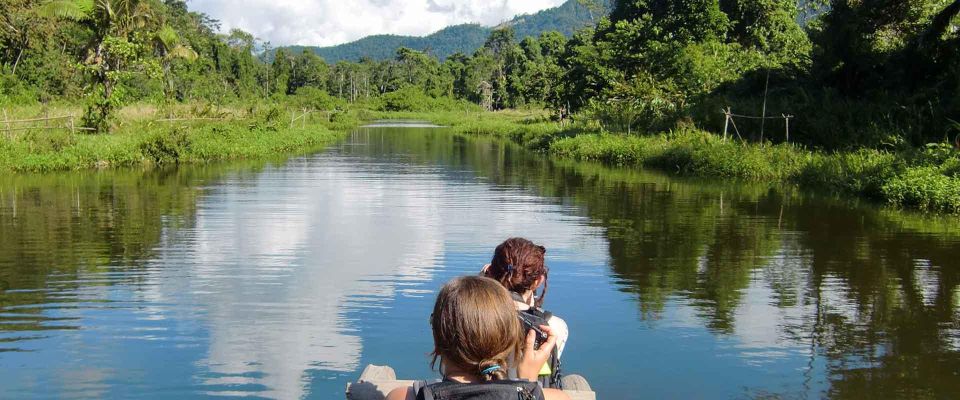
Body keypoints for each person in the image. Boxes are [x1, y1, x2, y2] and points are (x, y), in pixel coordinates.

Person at [386, 276, 570, 400]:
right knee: (575, 382)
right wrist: (529, 385)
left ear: (438, 339)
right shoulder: (556, 398)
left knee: (381, 372)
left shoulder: (403, 397)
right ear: (509, 340)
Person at [481, 238, 569, 387]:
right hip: (530, 391)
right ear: (538, 281)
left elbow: (467, 298)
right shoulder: (555, 326)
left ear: (490, 273)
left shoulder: (470, 316)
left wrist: (482, 281)